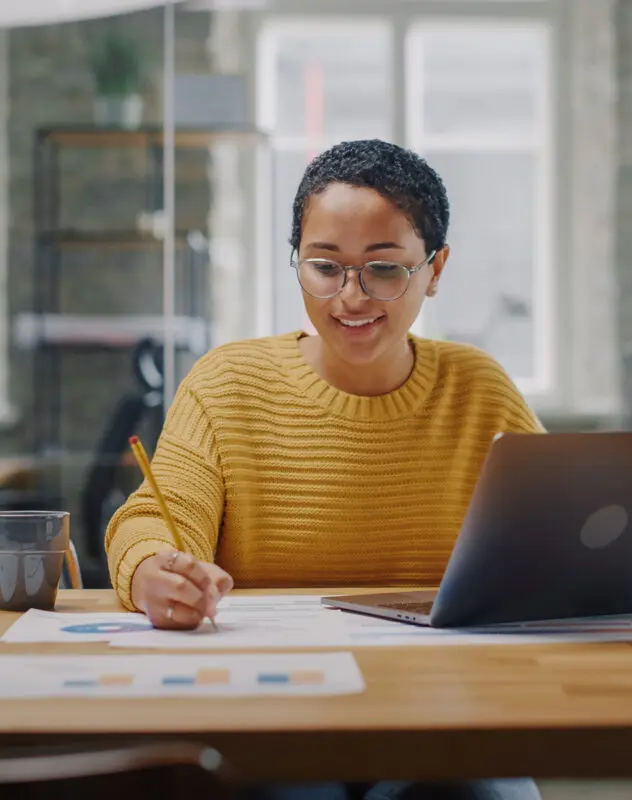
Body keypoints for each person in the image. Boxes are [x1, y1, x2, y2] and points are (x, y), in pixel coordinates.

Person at [105, 139, 545, 800]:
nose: (351, 296)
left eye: (385, 269)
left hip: (443, 714)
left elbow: (555, 533)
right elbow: (151, 520)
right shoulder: (227, 383)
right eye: (325, 266)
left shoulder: (479, 389)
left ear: (436, 268)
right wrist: (151, 572)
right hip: (268, 715)